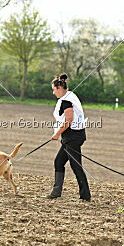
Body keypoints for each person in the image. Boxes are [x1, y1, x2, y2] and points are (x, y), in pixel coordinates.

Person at [46, 73, 91, 202]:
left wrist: (57, 133)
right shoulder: (70, 95)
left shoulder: (66, 100)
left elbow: (69, 120)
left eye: (54, 90)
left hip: (73, 137)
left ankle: (85, 196)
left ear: (60, 87)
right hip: (72, 136)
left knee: (76, 166)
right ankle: (56, 192)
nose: (54, 93)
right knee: (59, 162)